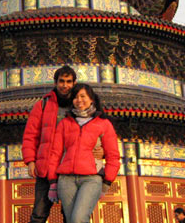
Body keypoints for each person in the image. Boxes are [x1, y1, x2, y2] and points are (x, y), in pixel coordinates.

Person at [23, 66, 103, 223]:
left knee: (71, 215)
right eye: (61, 81)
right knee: (39, 214)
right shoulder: (43, 105)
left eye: (68, 82)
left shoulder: (82, 106)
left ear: (74, 83)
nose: (64, 85)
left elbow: (100, 132)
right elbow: (30, 135)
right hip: (46, 168)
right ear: (55, 82)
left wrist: (103, 151)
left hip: (72, 168)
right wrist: (30, 161)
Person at [47, 83, 120, 223]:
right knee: (71, 220)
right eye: (75, 97)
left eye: (83, 96)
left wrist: (107, 182)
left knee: (78, 219)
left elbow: (113, 156)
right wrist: (53, 183)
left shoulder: (103, 124)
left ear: (91, 99)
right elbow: (55, 153)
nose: (79, 100)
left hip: (91, 179)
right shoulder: (64, 123)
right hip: (66, 179)